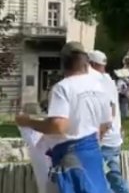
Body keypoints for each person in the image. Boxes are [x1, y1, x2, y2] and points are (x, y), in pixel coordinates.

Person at [15, 41, 112, 192]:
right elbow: (106, 123)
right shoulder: (99, 86)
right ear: (86, 63)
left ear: (63, 64)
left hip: (71, 155)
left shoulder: (63, 87)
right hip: (93, 152)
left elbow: (58, 126)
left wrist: (28, 121)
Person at [89, 50, 129, 193]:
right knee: (115, 177)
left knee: (100, 180)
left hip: (103, 140)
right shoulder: (109, 81)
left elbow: (108, 113)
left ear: (92, 64)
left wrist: (98, 137)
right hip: (114, 139)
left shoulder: (96, 82)